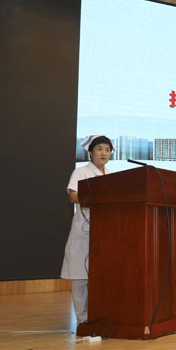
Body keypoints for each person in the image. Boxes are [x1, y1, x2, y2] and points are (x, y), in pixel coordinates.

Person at [61, 135, 113, 325]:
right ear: (90, 152)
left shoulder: (112, 176)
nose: (103, 153)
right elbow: (73, 196)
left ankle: (100, 314)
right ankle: (83, 320)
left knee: (102, 277)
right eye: (99, 149)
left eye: (107, 150)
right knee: (80, 277)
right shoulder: (81, 172)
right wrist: (97, 196)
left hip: (106, 230)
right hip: (84, 229)